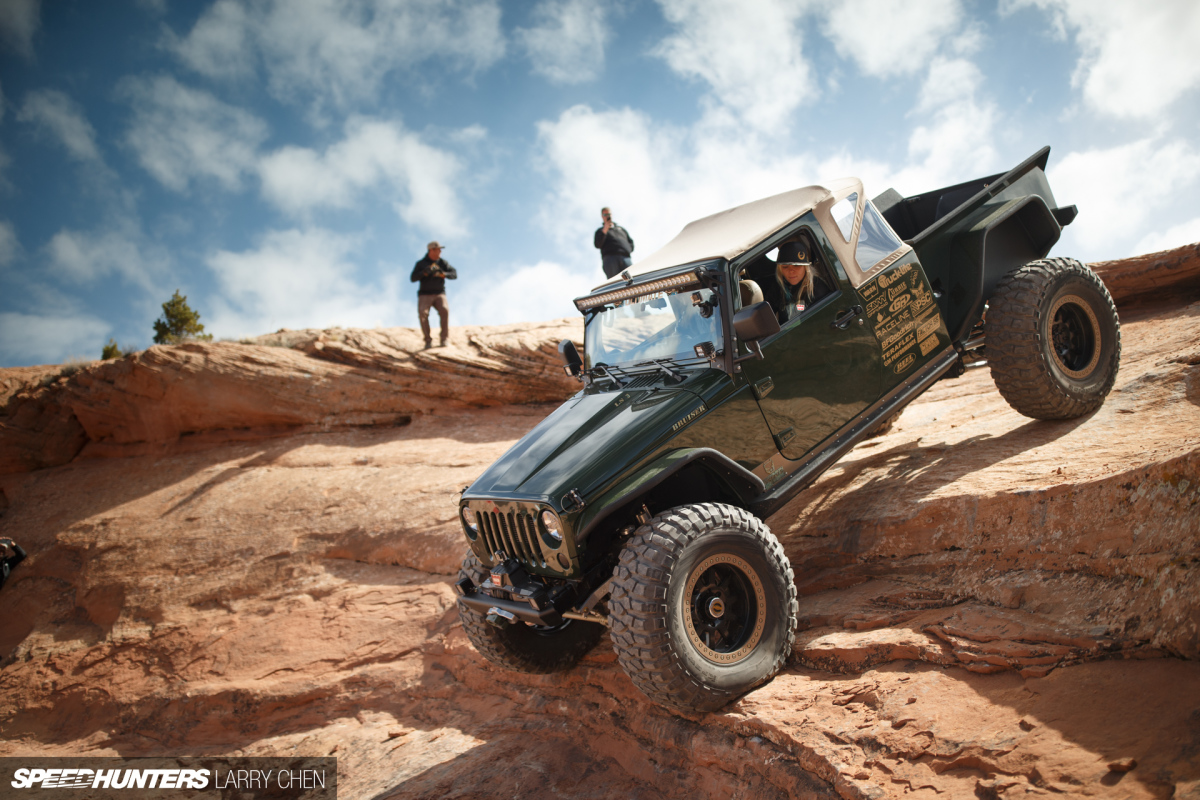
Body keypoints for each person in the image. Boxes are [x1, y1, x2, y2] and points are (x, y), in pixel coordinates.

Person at [410, 241, 457, 349]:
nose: (440, 251)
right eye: (438, 249)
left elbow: (454, 274)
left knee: (444, 310)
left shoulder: (443, 263)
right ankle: (428, 340)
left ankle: (444, 339)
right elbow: (413, 278)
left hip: (440, 293)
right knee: (422, 314)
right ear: (431, 250)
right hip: (424, 294)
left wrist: (443, 274)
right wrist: (424, 273)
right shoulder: (421, 264)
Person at [775, 237, 832, 323]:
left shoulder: (817, 290)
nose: (791, 271)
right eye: (785, 267)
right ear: (780, 270)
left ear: (805, 268)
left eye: (796, 266)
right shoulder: (778, 288)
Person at [594, 207, 635, 279]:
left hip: (625, 257)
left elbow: (630, 242)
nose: (607, 216)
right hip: (610, 259)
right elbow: (597, 244)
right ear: (602, 216)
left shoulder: (621, 229)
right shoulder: (600, 231)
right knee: (615, 282)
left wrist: (628, 249)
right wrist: (605, 230)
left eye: (609, 214)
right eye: (605, 214)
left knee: (631, 279)